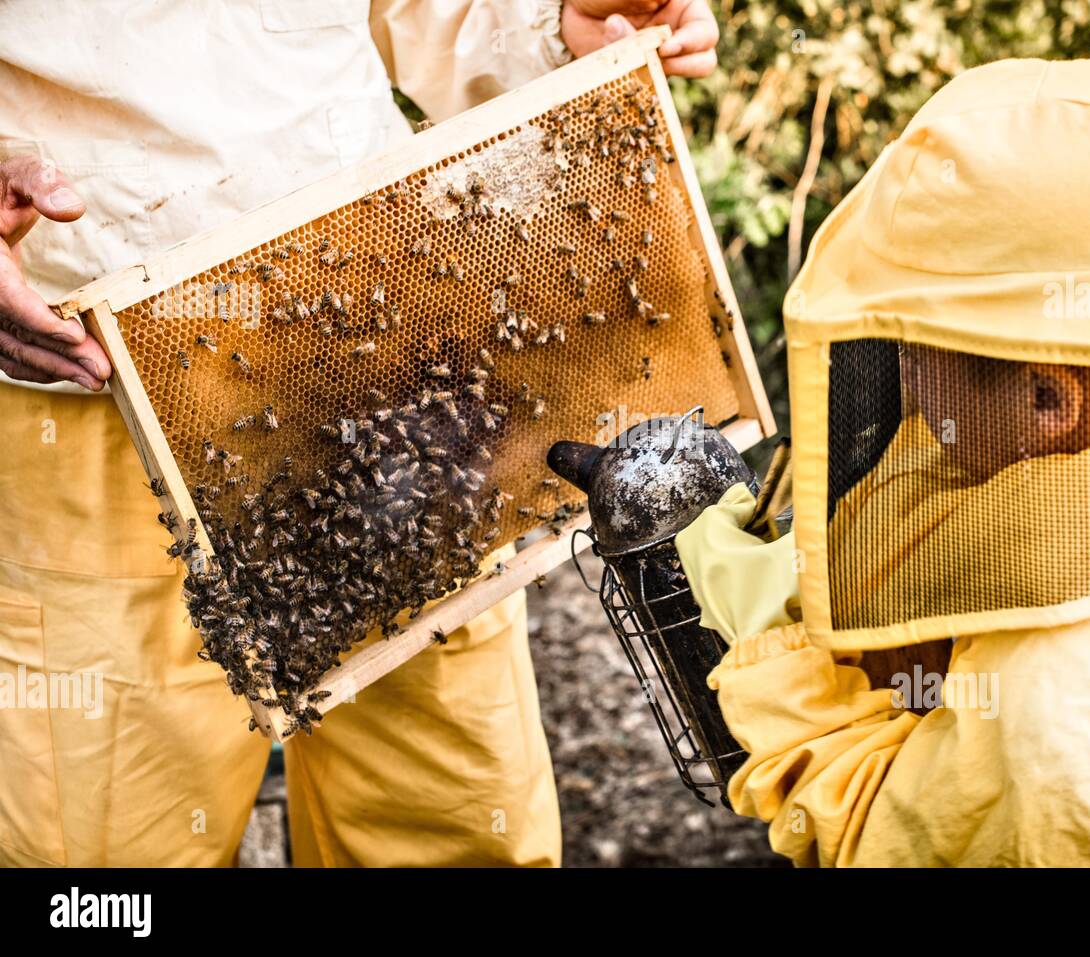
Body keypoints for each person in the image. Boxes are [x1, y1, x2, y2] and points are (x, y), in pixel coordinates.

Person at [0, 0, 719, 867]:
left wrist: (555, 24)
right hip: (92, 374)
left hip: (388, 359)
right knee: (106, 855)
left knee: (452, 823)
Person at [677, 52, 1090, 866]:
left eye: (921, 347)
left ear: (1047, 400)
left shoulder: (1056, 707)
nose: (902, 383)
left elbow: (875, 831)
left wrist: (771, 650)